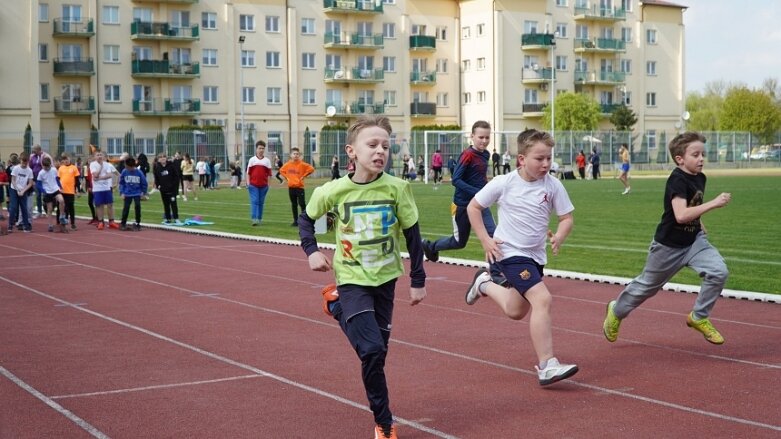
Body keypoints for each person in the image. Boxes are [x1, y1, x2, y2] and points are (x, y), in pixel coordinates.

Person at [298, 115, 426, 439]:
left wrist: (417, 279)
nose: (380, 151)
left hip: (385, 279)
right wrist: (311, 250)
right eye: (372, 145)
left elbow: (412, 235)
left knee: (377, 353)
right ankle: (384, 423)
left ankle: (336, 307)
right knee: (370, 350)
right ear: (351, 151)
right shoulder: (334, 191)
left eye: (386, 145)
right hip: (351, 277)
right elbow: (307, 218)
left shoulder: (398, 188)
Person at [464, 128, 578, 386]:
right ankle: (548, 365)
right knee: (543, 298)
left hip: (536, 256)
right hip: (509, 253)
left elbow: (566, 218)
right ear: (522, 159)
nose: (546, 164)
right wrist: (485, 239)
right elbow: (474, 206)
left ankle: (482, 283)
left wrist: (559, 236)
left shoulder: (553, 185)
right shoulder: (504, 183)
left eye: (549, 157)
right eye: (540, 158)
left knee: (516, 310)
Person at [603, 132, 731, 345]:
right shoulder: (677, 179)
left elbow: (691, 206)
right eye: (695, 154)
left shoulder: (700, 177)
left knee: (719, 271)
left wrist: (700, 223)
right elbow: (680, 215)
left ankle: (699, 317)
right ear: (680, 159)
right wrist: (713, 204)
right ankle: (616, 311)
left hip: (694, 241)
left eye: (703, 154)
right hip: (668, 246)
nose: (701, 159)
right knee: (646, 287)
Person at [421, 120, 505, 286]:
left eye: (487, 137)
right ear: (472, 136)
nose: (484, 141)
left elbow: (479, 177)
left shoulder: (486, 154)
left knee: (493, 235)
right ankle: (431, 246)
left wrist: (488, 189)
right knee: (459, 242)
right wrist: (478, 192)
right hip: (462, 205)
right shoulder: (467, 155)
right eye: (480, 137)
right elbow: (456, 180)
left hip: (481, 204)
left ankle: (495, 274)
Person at [279, 147, 315, 227]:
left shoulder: (302, 164)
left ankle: (305, 221)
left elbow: (311, 169)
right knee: (294, 204)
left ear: (299, 155)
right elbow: (281, 170)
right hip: (291, 187)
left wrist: (304, 176)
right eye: (294, 154)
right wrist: (287, 177)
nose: (296, 155)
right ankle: (295, 221)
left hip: (300, 187)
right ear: (291, 155)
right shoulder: (288, 164)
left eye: (297, 154)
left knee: (302, 204)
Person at [37, 156, 68, 233]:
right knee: (50, 209)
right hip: (47, 191)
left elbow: (56, 179)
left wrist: (60, 186)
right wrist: (43, 191)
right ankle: (50, 225)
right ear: (42, 165)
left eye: (48, 166)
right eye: (45, 167)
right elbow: (38, 184)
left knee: (61, 200)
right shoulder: (41, 173)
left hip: (55, 189)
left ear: (50, 165)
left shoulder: (54, 170)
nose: (47, 168)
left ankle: (61, 216)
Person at [90, 151, 120, 230]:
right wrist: (100, 166)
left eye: (100, 155)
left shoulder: (107, 164)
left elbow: (109, 175)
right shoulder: (93, 164)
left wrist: (99, 178)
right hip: (97, 189)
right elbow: (95, 175)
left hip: (106, 187)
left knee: (110, 204)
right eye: (98, 155)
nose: (99, 156)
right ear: (95, 157)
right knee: (100, 205)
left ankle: (111, 221)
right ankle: (100, 222)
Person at [246, 140, 272, 226]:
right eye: (259, 148)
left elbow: (269, 174)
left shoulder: (267, 161)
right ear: (256, 149)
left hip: (264, 186)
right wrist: (248, 184)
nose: (261, 150)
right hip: (253, 185)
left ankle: (259, 219)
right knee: (255, 201)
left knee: (261, 202)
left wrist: (268, 185)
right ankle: (254, 219)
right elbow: (248, 173)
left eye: (263, 148)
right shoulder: (252, 160)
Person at [118, 157, 148, 231]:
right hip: (127, 193)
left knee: (137, 207)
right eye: (126, 167)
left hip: (137, 193)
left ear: (133, 166)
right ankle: (123, 223)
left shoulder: (139, 172)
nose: (127, 168)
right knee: (126, 208)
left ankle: (137, 223)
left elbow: (144, 183)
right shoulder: (124, 172)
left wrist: (143, 192)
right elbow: (121, 183)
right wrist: (122, 192)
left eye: (129, 167)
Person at [153, 153, 182, 225]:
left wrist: (173, 185)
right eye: (161, 157)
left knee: (173, 204)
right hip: (163, 190)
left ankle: (176, 219)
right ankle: (168, 219)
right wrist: (158, 185)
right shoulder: (157, 167)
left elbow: (176, 176)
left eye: (164, 157)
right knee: (166, 205)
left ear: (166, 158)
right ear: (158, 159)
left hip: (172, 189)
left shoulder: (171, 165)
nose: (163, 158)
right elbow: (156, 178)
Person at [8, 153, 34, 232]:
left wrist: (23, 191)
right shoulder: (16, 168)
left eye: (26, 163)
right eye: (23, 162)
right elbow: (13, 180)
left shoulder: (29, 170)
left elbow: (30, 183)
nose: (24, 164)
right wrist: (18, 189)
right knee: (13, 207)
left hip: (23, 190)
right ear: (20, 161)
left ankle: (25, 225)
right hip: (14, 189)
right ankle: (10, 225)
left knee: (24, 208)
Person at [57, 153, 80, 230]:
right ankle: (62, 222)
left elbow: (77, 180)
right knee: (62, 207)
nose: (66, 161)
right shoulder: (61, 168)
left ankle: (73, 223)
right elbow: (58, 179)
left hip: (70, 191)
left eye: (67, 159)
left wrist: (78, 190)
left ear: (70, 159)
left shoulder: (74, 168)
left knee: (71, 207)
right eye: (64, 160)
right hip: (62, 191)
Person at [29, 145, 51, 218]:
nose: (33, 151)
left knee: (45, 196)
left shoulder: (45, 156)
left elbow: (48, 165)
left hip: (44, 179)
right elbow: (30, 167)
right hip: (35, 179)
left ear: (38, 150)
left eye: (34, 150)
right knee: (38, 196)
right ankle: (39, 211)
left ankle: (48, 211)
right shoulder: (32, 157)